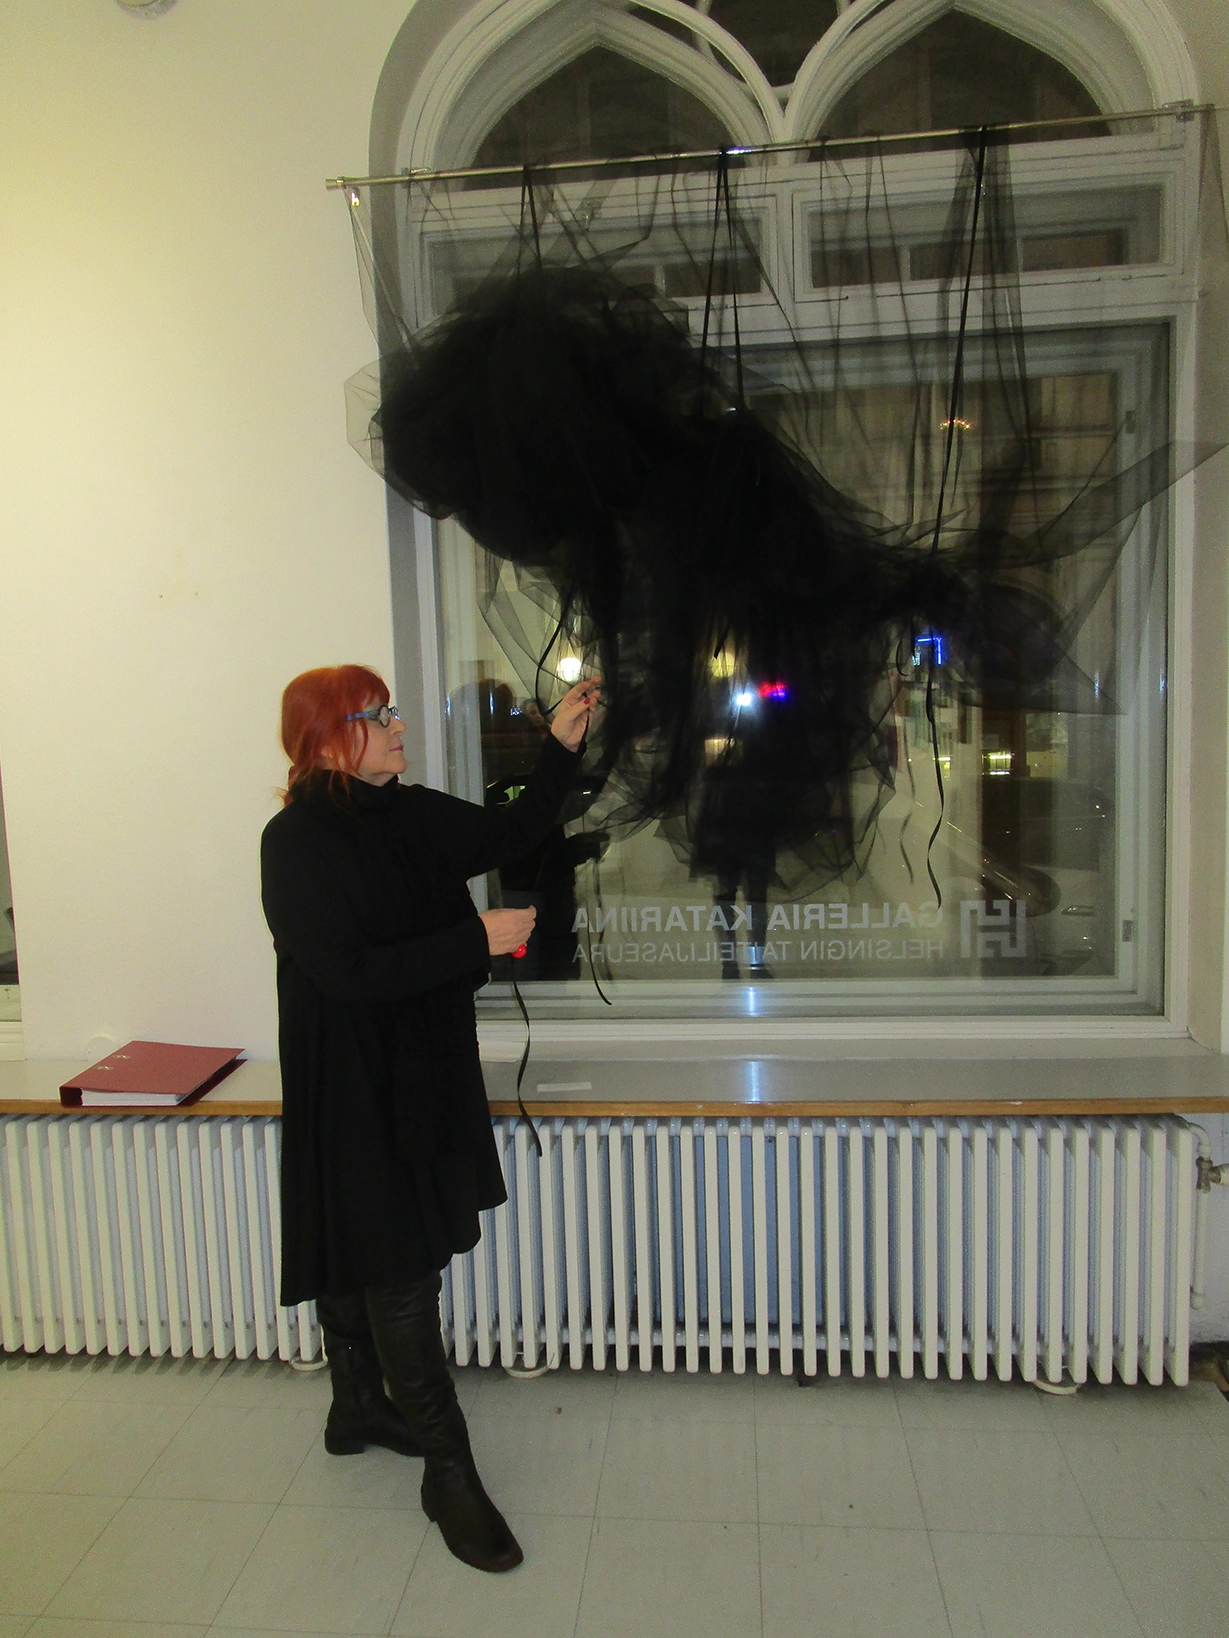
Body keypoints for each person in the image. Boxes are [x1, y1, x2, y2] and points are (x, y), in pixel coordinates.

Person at [260, 663, 599, 1573]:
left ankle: (355, 1407)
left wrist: (558, 749)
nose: (398, 725)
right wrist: (472, 939)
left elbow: (512, 829)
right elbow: (345, 972)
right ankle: (448, 1473)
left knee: (371, 1242)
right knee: (396, 1264)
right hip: (353, 1078)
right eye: (376, 715)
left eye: (391, 710)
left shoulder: (408, 812)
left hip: (422, 1062)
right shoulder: (294, 842)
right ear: (328, 739)